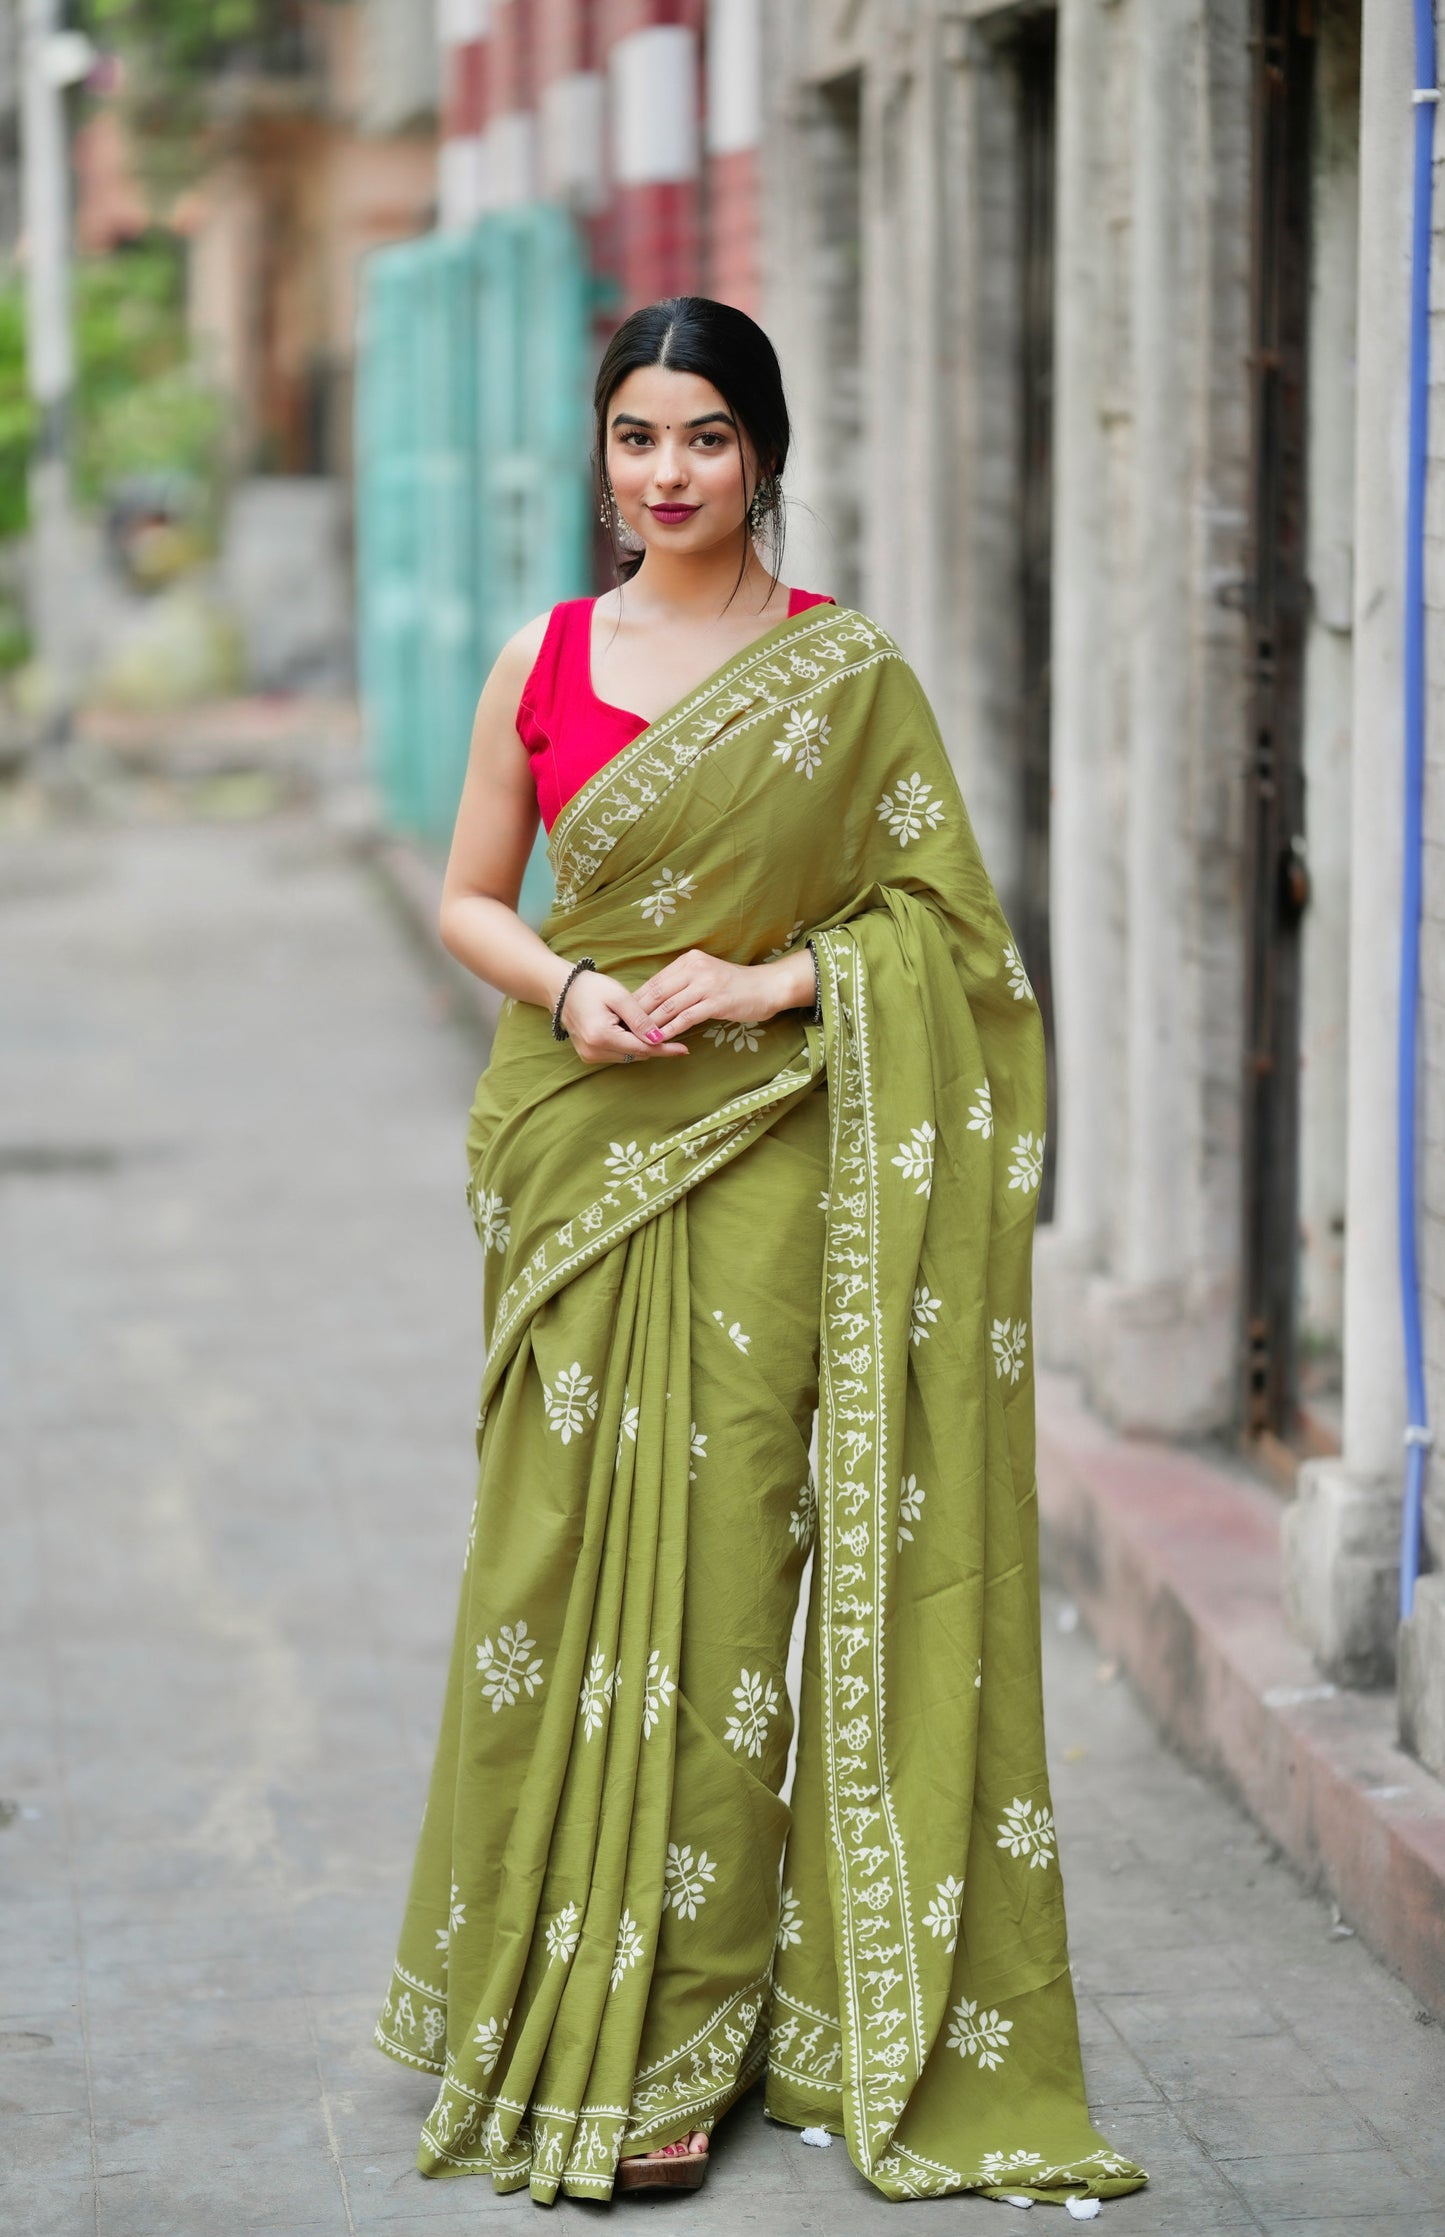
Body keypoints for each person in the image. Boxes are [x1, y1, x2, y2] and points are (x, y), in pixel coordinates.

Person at [373, 295, 1147, 2211]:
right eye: (637, 436)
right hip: (575, 1159)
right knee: (547, 1571)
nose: (669, 472)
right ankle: (526, 1983)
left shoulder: (843, 675)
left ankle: (683, 2036)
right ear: (601, 457)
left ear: (764, 454)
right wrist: (572, 988)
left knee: (725, 1590)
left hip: (769, 1166)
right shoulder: (545, 655)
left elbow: (954, 941)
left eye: (705, 437)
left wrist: (777, 976)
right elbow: (471, 899)